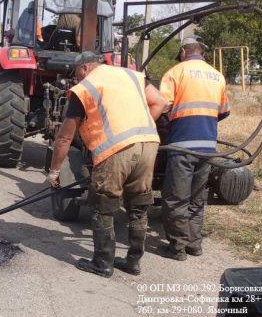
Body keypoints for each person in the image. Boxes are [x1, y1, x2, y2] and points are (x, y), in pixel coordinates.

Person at [46, 51, 169, 277]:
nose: (76, 79)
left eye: (76, 74)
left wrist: (54, 173)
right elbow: (160, 102)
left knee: (102, 204)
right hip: (149, 144)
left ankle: (102, 263)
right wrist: (137, 132)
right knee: (139, 204)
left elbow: (64, 138)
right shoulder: (133, 75)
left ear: (84, 68)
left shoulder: (85, 88)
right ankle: (133, 261)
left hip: (116, 150)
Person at [159, 36, 230, 261]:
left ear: (183, 52)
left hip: (182, 145)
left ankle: (177, 248)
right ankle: (194, 244)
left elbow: (161, 107)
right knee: (197, 198)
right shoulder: (217, 75)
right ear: (201, 51)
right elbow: (223, 111)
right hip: (207, 147)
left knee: (176, 198)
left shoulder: (175, 73)